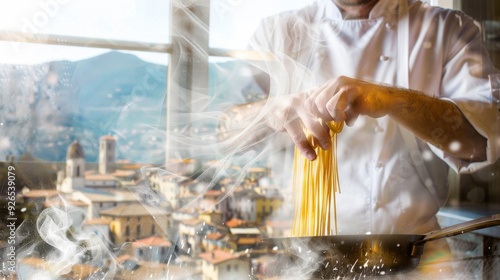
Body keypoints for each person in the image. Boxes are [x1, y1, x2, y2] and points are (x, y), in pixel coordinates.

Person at [217, 0, 499, 277]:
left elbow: (481, 142)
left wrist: (393, 99)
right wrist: (269, 111)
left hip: (415, 262)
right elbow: (225, 132)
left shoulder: (446, 28)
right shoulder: (277, 33)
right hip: (303, 261)